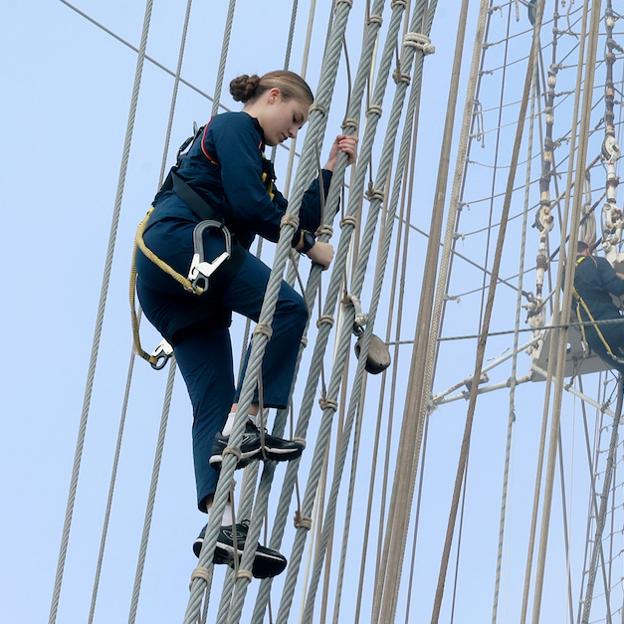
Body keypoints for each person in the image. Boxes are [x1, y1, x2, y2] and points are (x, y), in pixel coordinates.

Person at [134, 70, 357, 578]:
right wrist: (305, 246)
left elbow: (285, 213)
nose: (294, 131)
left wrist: (330, 171)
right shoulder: (235, 129)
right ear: (273, 97)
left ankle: (221, 526)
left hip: (177, 283)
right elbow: (252, 207)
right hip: (182, 242)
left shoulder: (256, 162)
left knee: (212, 400)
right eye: (295, 118)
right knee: (288, 309)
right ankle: (250, 421)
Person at [573, 241, 624, 375]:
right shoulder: (595, 262)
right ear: (588, 251)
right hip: (610, 324)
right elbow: (617, 288)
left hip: (593, 338)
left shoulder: (566, 280)